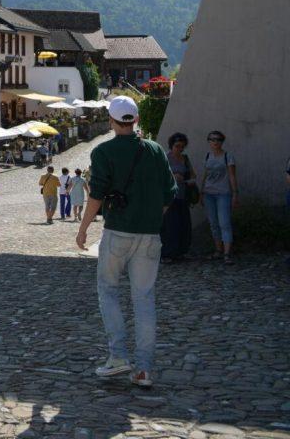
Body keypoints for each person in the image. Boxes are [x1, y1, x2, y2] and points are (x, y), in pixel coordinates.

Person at [76, 96, 176, 389]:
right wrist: (151, 219)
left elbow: (96, 195)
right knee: (144, 299)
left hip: (117, 232)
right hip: (149, 235)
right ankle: (144, 369)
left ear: (111, 120)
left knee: (108, 290)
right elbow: (170, 193)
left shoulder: (104, 151)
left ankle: (118, 356)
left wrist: (83, 230)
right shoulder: (155, 150)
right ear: (135, 120)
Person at [200, 131, 238, 264]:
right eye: (212, 139)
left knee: (224, 223)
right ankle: (218, 250)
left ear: (222, 141)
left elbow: (232, 176)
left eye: (218, 140)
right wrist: (201, 192)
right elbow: (205, 174)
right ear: (209, 141)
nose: (215, 142)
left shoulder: (228, 156)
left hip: (223, 193)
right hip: (209, 194)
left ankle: (227, 254)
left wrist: (235, 194)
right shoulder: (207, 156)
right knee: (214, 224)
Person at [160, 133, 194, 262]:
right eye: (177, 146)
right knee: (170, 226)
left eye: (182, 146)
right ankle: (167, 254)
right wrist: (173, 177)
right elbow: (159, 177)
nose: (179, 149)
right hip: (169, 198)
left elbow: (193, 175)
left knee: (184, 225)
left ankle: (181, 251)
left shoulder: (185, 159)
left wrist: (189, 180)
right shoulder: (165, 159)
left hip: (183, 196)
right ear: (171, 146)